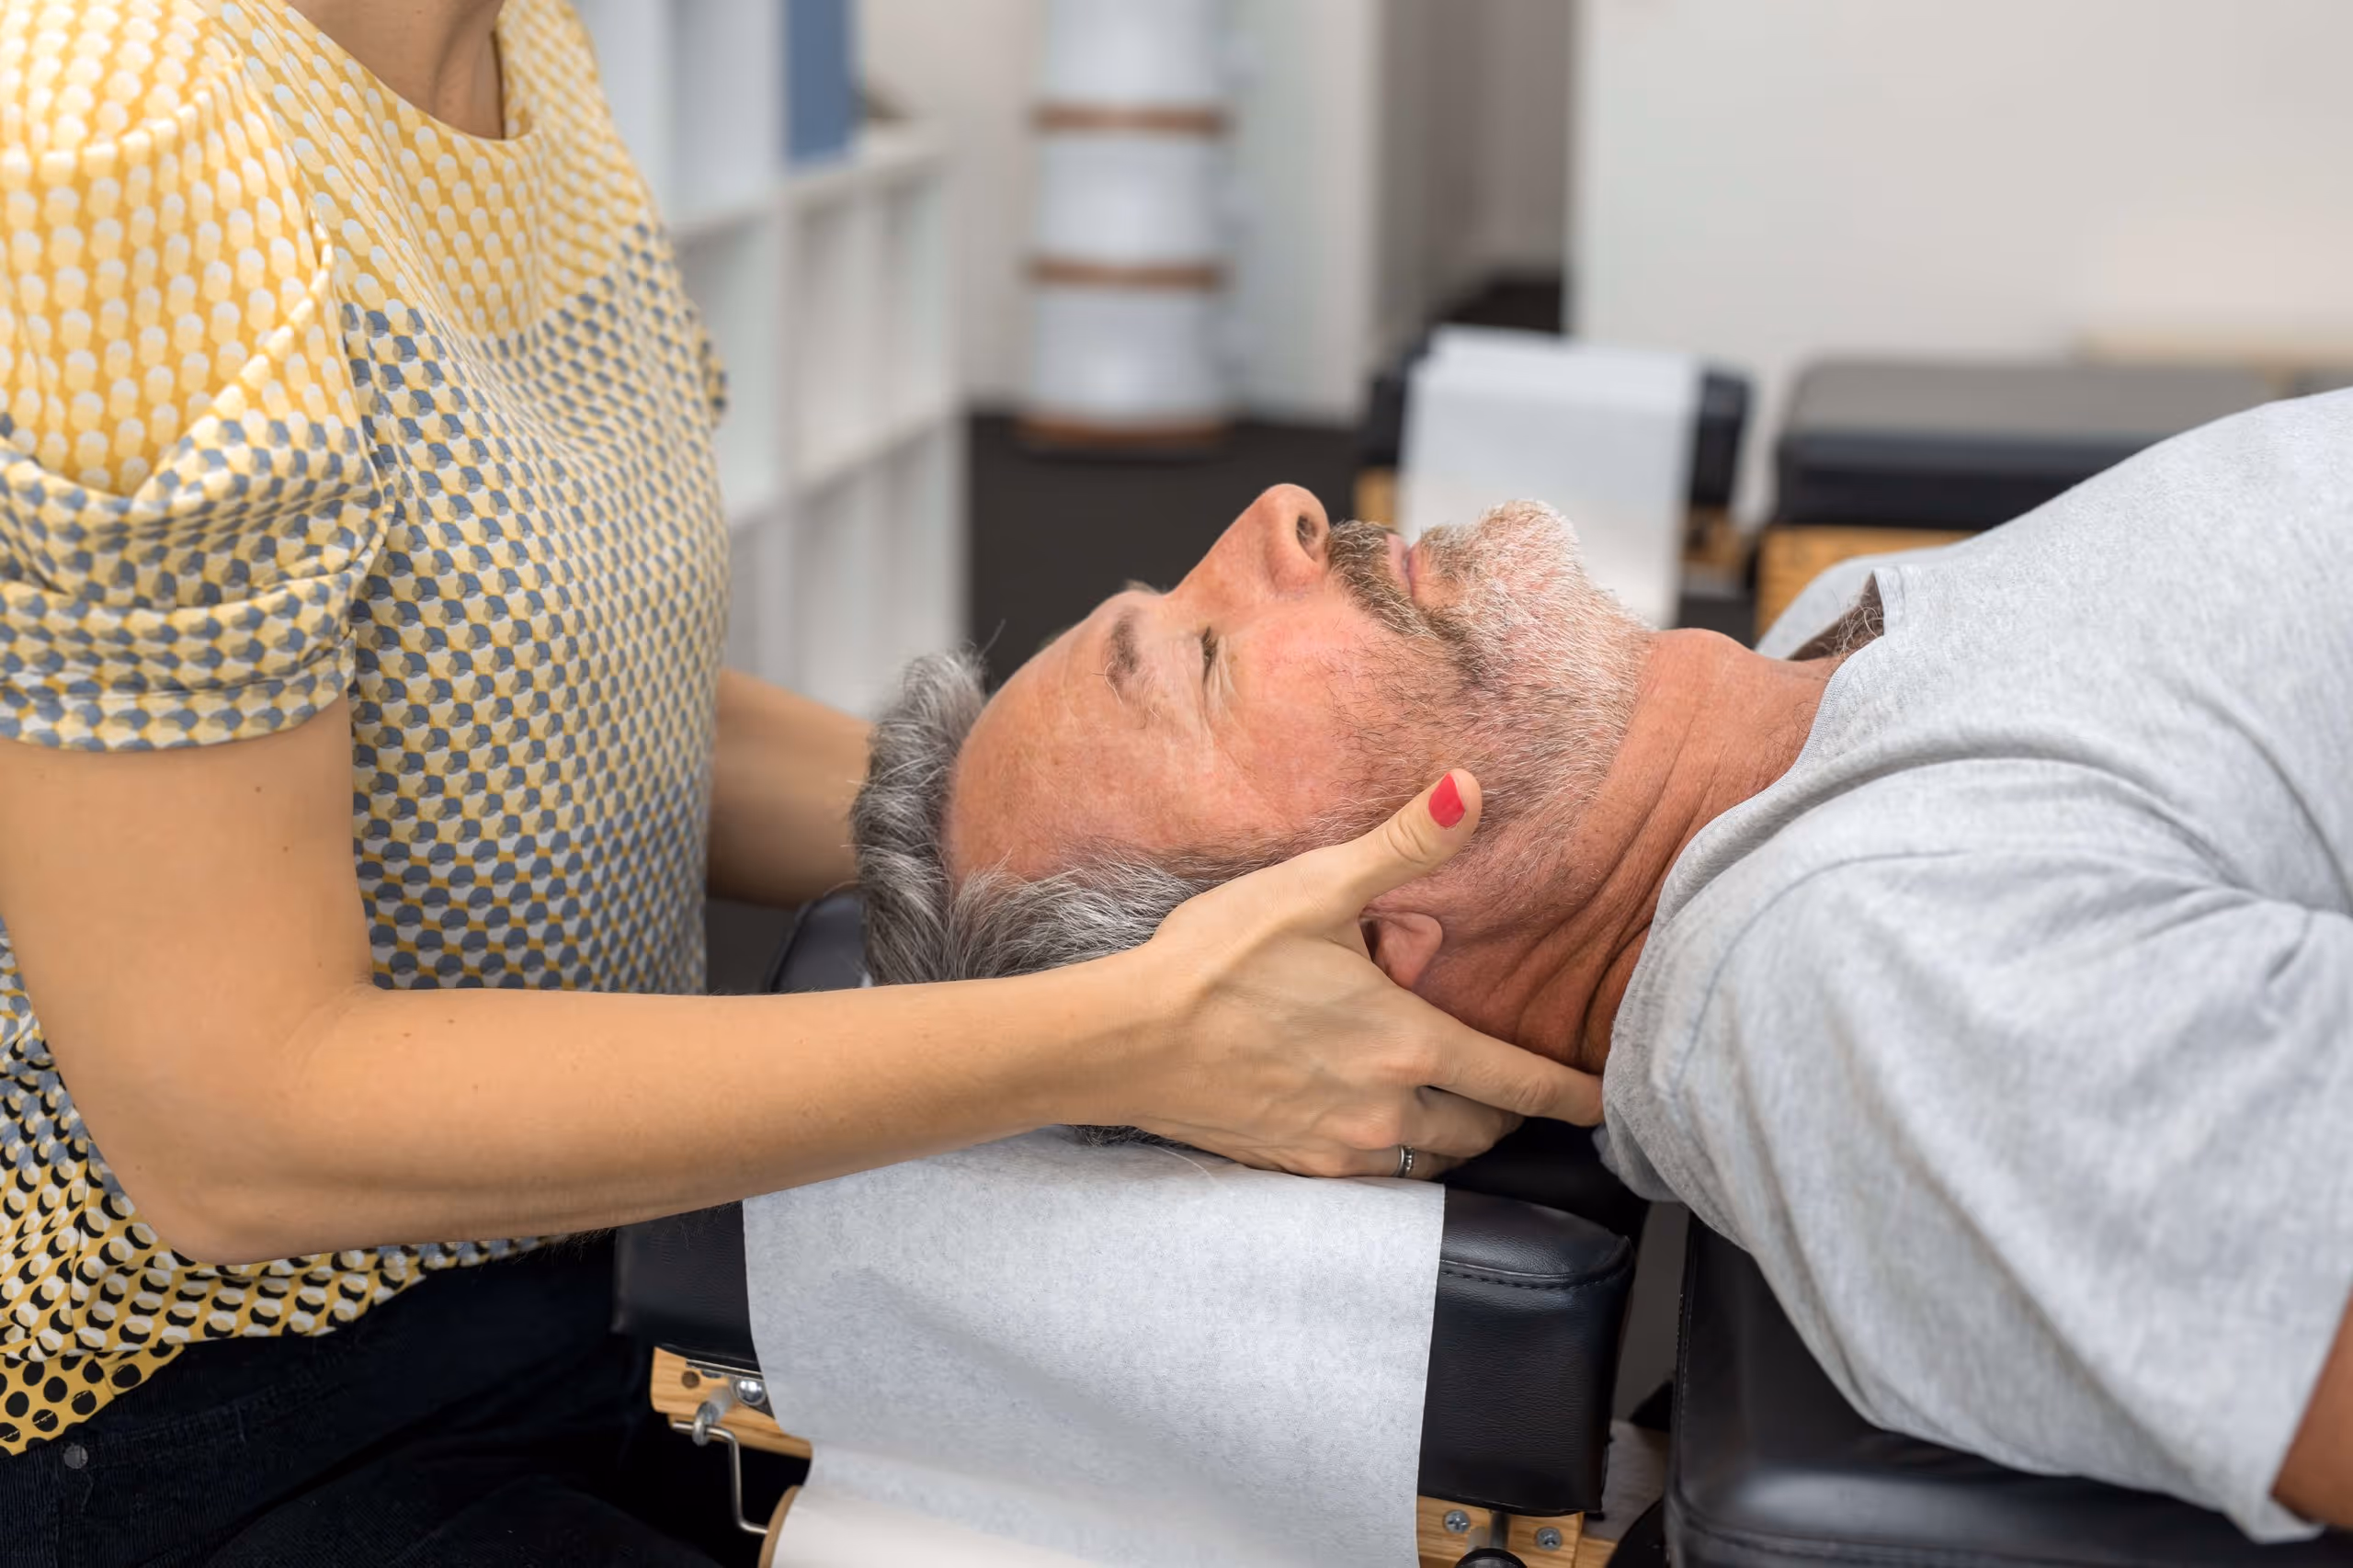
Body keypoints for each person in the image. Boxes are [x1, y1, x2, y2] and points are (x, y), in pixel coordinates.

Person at [0, 3, 1598, 1560]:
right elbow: (231, 1128)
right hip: (185, 1421)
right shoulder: (107, 117)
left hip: (580, 1274)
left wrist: (1112, 874)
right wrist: (1129, 1032)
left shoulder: (524, 49)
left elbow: (549, 711)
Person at [851, 392, 2353, 1540]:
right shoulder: (1856, 986)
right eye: (1204, 657)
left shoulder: (1792, 674)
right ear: (1353, 948)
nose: (1278, 512)